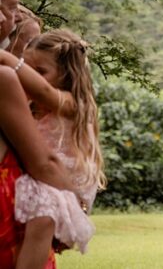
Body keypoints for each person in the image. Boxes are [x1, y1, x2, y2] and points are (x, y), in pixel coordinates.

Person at [0, 30, 103, 265]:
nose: (31, 77)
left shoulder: (71, 102)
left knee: (42, 215)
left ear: (66, 75)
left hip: (67, 179)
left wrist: (8, 60)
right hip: (48, 177)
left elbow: (44, 91)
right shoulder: (31, 106)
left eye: (40, 72)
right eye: (29, 68)